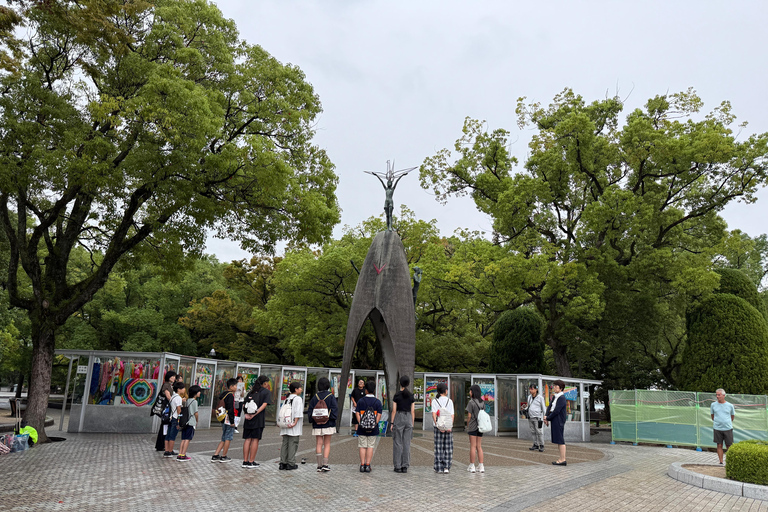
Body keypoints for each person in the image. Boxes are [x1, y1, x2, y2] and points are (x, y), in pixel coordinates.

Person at [307, 376, 338, 472]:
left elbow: (310, 410)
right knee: (327, 443)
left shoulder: (315, 397)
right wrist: (331, 418)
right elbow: (334, 409)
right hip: (328, 423)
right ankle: (325, 464)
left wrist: (312, 420)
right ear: (328, 385)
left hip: (317, 423)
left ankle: (319, 465)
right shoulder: (330, 396)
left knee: (319, 443)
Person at [241, 375, 271, 468]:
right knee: (255, 439)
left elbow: (244, 404)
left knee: (247, 439)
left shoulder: (251, 391)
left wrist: (246, 414)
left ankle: (245, 461)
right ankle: (251, 461)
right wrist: (254, 414)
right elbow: (264, 405)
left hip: (248, 419)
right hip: (258, 419)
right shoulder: (266, 392)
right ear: (265, 383)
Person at [355, 380, 382, 473]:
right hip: (373, 428)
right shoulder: (377, 402)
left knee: (362, 446)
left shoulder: (361, 401)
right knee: (370, 446)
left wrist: (360, 422)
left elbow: (357, 413)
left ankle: (362, 465)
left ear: (366, 390)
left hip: (362, 428)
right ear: (374, 390)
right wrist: (374, 423)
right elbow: (379, 414)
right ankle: (368, 465)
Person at [391, 375, 415, 473]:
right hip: (409, 417)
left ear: (400, 383)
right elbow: (413, 411)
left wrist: (392, 422)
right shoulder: (411, 396)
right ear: (408, 383)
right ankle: (405, 465)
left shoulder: (397, 395)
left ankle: (397, 466)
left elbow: (393, 410)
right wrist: (412, 423)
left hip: (399, 417)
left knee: (398, 442)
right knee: (406, 442)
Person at [211, 378, 237, 463]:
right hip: (228, 419)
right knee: (228, 438)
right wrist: (232, 422)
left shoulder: (223, 394)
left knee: (223, 437)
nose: (236, 387)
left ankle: (215, 455)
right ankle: (224, 456)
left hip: (222, 418)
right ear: (232, 386)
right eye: (235, 386)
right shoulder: (230, 395)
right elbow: (230, 409)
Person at [279, 381, 304, 470]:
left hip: (285, 424)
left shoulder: (287, 398)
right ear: (296, 389)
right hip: (293, 425)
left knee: (285, 443)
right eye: (300, 388)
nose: (301, 389)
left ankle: (283, 462)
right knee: (293, 443)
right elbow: (298, 412)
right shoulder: (298, 399)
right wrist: (295, 422)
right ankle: (291, 463)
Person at [543, 379, 568, 466]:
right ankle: (561, 458)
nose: (554, 387)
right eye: (554, 386)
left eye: (556, 386)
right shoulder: (555, 396)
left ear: (561, 388)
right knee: (558, 440)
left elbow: (556, 411)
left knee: (560, 440)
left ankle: (563, 459)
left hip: (558, 420)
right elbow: (550, 406)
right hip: (554, 419)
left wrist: (548, 418)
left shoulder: (562, 398)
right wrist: (546, 416)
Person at [432, 382, 454, 473]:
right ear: (445, 391)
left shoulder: (434, 401)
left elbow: (433, 414)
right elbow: (452, 415)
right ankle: (446, 467)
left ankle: (438, 467)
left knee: (438, 447)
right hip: (448, 427)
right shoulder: (450, 401)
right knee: (448, 447)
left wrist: (437, 424)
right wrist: (450, 426)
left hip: (438, 427)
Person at [711, 388, 736, 465]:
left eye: (719, 395)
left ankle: (729, 462)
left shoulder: (730, 405)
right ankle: (721, 462)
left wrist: (726, 422)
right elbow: (712, 416)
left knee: (729, 445)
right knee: (719, 445)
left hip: (727, 428)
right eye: (717, 395)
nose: (717, 396)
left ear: (724, 395)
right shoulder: (713, 405)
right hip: (717, 428)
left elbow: (732, 416)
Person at [176, 385, 200, 461]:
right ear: (195, 393)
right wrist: (197, 420)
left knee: (183, 438)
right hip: (191, 422)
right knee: (188, 439)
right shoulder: (194, 402)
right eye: (199, 392)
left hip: (185, 422)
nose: (200, 393)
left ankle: (180, 454)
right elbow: (196, 413)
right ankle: (183, 454)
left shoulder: (187, 400)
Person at [155, 370, 176, 452]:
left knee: (165, 427)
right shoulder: (166, 385)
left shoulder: (170, 385)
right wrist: (175, 402)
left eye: (174, 376)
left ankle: (161, 445)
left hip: (168, 408)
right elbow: (168, 396)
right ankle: (161, 445)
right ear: (168, 377)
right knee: (165, 426)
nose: (173, 378)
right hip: (166, 409)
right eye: (172, 377)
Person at [466, 384, 485, 473]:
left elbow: (469, 416)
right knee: (479, 446)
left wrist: (467, 424)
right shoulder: (482, 402)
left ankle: (472, 465)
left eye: (470, 391)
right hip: (480, 426)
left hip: (473, 426)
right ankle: (481, 466)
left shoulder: (471, 402)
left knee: (473, 446)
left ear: (473, 392)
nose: (469, 392)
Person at [164, 381, 185, 457]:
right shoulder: (178, 398)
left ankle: (166, 450)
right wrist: (180, 419)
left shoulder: (172, 396)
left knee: (168, 434)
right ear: (179, 389)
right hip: (175, 418)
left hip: (170, 417)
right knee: (173, 435)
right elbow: (178, 409)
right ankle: (170, 451)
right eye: (183, 388)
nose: (184, 390)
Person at [525, 383, 546, 452]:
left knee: (539, 431)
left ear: (536, 389)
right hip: (530, 417)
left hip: (538, 417)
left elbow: (543, 408)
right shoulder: (529, 397)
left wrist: (545, 417)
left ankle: (542, 444)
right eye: (530, 389)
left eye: (532, 389)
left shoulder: (540, 398)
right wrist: (525, 409)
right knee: (533, 431)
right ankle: (535, 444)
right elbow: (529, 406)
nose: (530, 390)